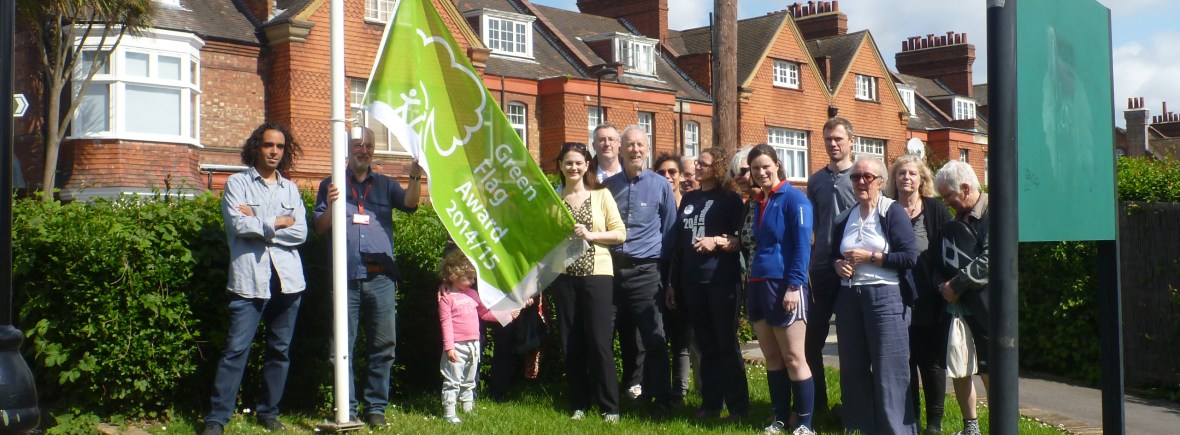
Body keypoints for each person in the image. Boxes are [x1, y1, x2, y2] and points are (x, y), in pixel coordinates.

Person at [313, 126, 423, 427]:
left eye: (369, 145)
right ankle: (347, 409)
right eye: (358, 145)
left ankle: (376, 408)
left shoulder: (386, 185)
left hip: (381, 280)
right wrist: (334, 205)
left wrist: (414, 176)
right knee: (341, 349)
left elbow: (411, 203)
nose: (364, 150)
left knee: (383, 347)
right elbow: (320, 228)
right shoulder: (330, 184)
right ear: (348, 150)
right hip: (345, 279)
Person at [204, 122, 307, 435]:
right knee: (236, 351)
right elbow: (238, 226)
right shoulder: (237, 184)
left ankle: (268, 412)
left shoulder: (290, 188)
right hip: (249, 282)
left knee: (280, 351)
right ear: (256, 148)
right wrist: (281, 221)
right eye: (268, 145)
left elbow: (301, 232)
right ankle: (216, 419)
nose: (274, 151)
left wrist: (262, 222)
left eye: (279, 146)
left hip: (288, 281)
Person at [831, 157, 919, 434]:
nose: (860, 182)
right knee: (853, 367)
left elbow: (909, 257)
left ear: (881, 181)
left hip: (886, 297)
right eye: (856, 177)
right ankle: (859, 427)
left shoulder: (892, 212)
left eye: (867, 177)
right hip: (850, 297)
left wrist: (872, 256)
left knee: (889, 370)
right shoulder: (846, 216)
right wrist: (838, 264)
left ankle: (896, 430)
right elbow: (834, 253)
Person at [664, 147, 749, 421]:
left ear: (717, 168)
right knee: (705, 343)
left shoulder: (731, 200)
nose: (697, 167)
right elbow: (679, 244)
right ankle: (711, 404)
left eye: (703, 164)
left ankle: (737, 407)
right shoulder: (689, 198)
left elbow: (740, 240)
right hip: (691, 281)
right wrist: (673, 283)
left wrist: (717, 242)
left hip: (721, 280)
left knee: (726, 343)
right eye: (697, 163)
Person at [603, 125, 678, 418]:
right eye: (630, 145)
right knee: (603, 336)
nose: (635, 150)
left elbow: (670, 231)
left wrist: (665, 274)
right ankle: (607, 399)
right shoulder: (608, 187)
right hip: (610, 272)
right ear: (621, 150)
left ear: (647, 149)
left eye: (640, 145)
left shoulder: (660, 185)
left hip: (646, 272)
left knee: (654, 337)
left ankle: (661, 399)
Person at [550, 142, 627, 421]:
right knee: (571, 341)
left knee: (599, 341)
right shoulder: (553, 198)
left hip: (597, 275)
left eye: (579, 163)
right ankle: (579, 404)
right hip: (564, 277)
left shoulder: (601, 195)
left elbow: (620, 234)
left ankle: (610, 406)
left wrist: (592, 235)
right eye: (568, 163)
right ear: (560, 166)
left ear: (586, 166)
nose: (573, 168)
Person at [745, 144, 816, 435]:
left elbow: (802, 247)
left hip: (785, 286)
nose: (761, 172)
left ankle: (804, 423)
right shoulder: (760, 201)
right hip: (757, 284)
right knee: (772, 358)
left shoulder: (795, 199)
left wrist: (794, 285)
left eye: (766, 166)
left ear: (777, 165)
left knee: (793, 357)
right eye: (755, 168)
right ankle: (778, 418)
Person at [885, 155, 953, 434]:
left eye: (912, 174)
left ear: (922, 179)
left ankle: (934, 423)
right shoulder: (887, 210)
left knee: (932, 362)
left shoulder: (935, 209)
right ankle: (909, 420)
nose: (906, 178)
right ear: (894, 179)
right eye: (901, 173)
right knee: (905, 362)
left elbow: (950, 250)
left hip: (931, 297)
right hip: (897, 297)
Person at [804, 117, 857, 419]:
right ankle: (818, 403)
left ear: (851, 141)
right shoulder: (815, 181)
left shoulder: (862, 176)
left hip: (852, 269)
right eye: (828, 139)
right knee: (812, 342)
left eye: (838, 138)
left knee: (851, 344)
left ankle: (852, 406)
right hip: (821, 267)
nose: (833, 144)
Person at [934, 160, 991, 435]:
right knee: (959, 366)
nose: (946, 203)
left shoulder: (995, 211)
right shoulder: (954, 221)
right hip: (959, 310)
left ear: (966, 188)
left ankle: (1000, 427)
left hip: (990, 307)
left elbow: (992, 259)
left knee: (990, 368)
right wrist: (944, 287)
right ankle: (971, 428)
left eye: (949, 196)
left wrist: (955, 286)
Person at [592, 123, 643, 400]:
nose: (607, 144)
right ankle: (602, 385)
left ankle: (633, 384)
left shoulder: (637, 177)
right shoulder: (592, 178)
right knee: (604, 327)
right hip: (604, 264)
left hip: (635, 264)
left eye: (612, 139)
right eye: (601, 139)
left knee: (633, 330)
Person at [437, 250, 511, 424]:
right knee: (453, 380)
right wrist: (449, 347)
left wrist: (507, 315)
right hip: (456, 346)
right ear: (454, 275)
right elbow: (445, 324)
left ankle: (467, 408)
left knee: (469, 379)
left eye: (473, 277)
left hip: (474, 344)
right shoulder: (447, 298)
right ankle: (449, 412)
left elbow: (485, 314)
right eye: (468, 277)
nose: (473, 281)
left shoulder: (472, 294)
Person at [652, 153, 693, 403]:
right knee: (656, 334)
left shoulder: (689, 204)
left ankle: (680, 391)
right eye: (661, 173)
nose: (667, 177)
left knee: (681, 337)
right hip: (656, 272)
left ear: (679, 175)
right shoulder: (653, 200)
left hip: (681, 274)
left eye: (672, 172)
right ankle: (656, 388)